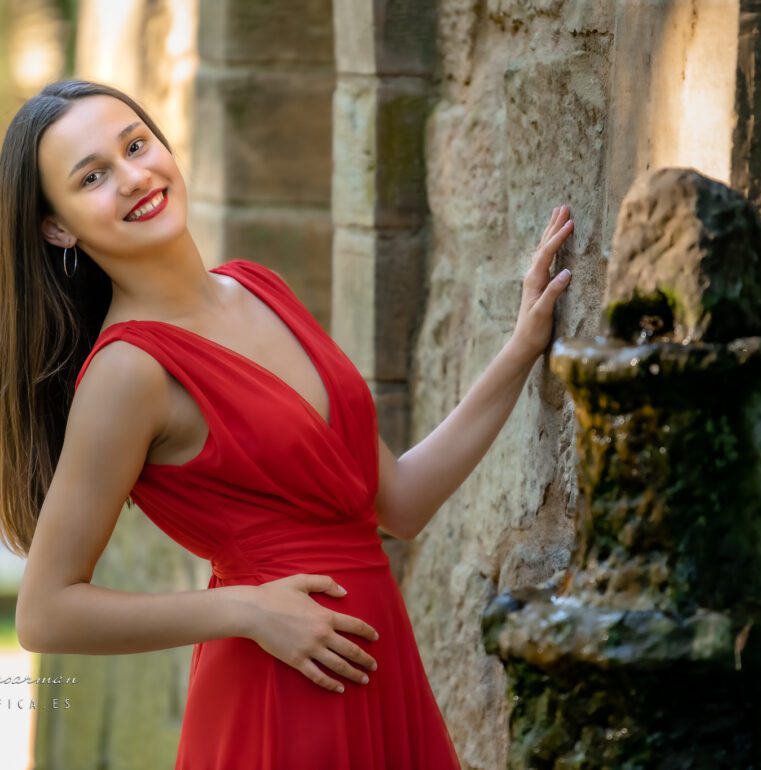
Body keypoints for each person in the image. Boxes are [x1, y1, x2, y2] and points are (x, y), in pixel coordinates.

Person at [1, 79, 574, 769]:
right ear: (57, 227)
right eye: (92, 177)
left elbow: (401, 502)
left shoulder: (259, 287)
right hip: (277, 694)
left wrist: (520, 348)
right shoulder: (128, 372)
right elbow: (45, 613)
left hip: (378, 668)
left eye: (135, 145)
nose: (132, 178)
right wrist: (246, 610)